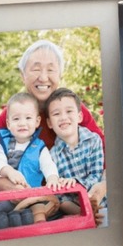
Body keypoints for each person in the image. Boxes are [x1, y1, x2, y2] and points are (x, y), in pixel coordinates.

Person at [0, 40, 104, 191]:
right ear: (23, 75)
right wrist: (15, 190)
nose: (43, 77)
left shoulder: (71, 110)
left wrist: (101, 188)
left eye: (51, 70)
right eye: (36, 69)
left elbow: (105, 151)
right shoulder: (13, 114)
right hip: (24, 197)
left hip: (70, 193)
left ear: (59, 75)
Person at [45, 88, 105, 223]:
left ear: (79, 116)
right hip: (76, 212)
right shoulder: (51, 156)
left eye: (69, 111)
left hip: (103, 205)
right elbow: (61, 198)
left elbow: (97, 176)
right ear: (49, 123)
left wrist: (76, 183)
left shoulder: (93, 140)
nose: (63, 117)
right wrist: (83, 214)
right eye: (56, 114)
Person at [0, 92, 61, 189]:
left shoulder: (39, 147)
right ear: (8, 124)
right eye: (16, 119)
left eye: (28, 118)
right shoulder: (4, 144)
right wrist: (9, 171)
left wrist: (52, 178)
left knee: (40, 204)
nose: (22, 123)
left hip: (32, 194)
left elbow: (48, 165)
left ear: (37, 122)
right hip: (8, 196)